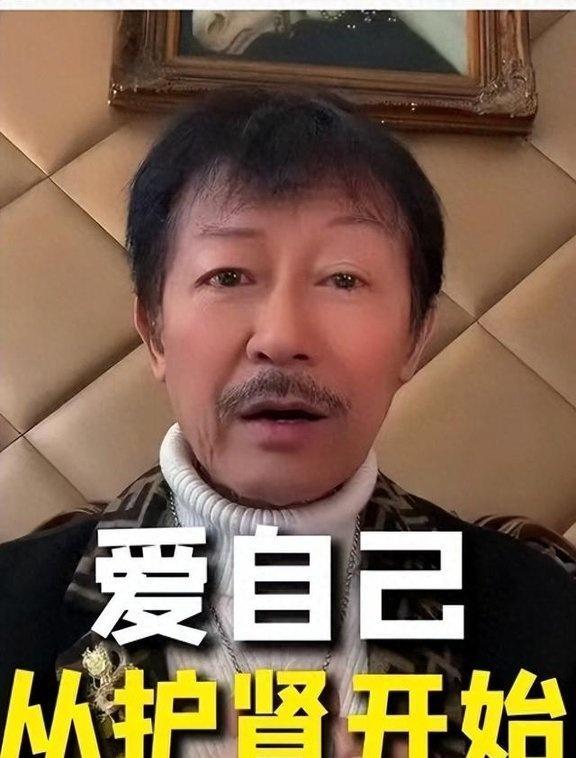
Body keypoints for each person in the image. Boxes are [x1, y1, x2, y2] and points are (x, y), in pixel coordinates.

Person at [0, 87, 575, 757]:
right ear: (153, 331)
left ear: (416, 337)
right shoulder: (14, 607)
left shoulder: (542, 616)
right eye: (228, 276)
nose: (281, 337)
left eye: (343, 280)